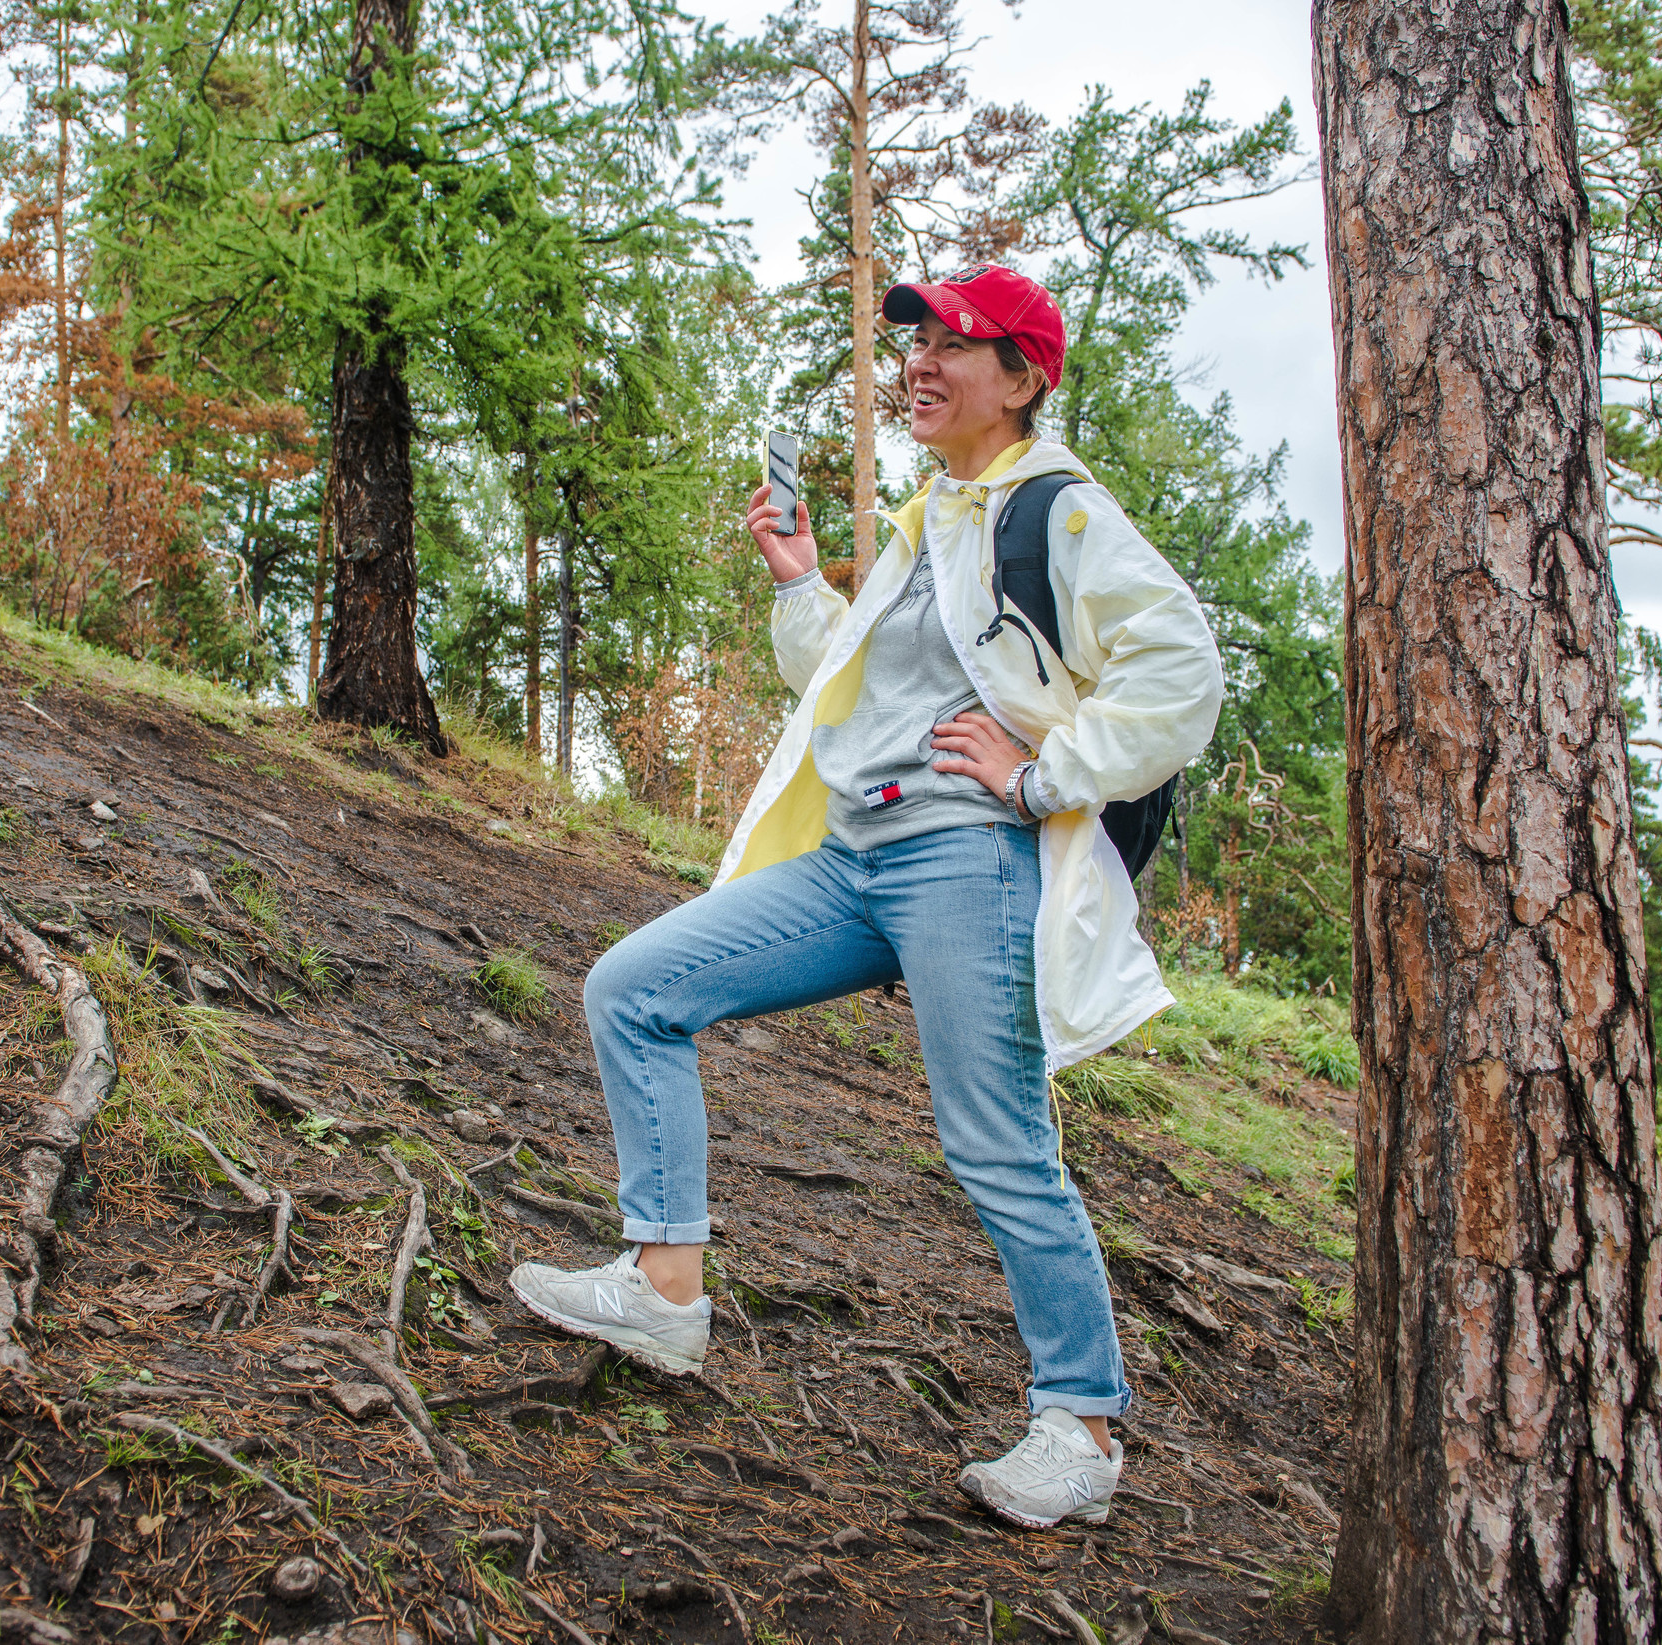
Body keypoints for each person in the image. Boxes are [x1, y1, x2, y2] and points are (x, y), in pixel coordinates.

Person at [509, 263, 1223, 1529]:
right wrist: (797, 577)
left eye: (958, 344)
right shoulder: (932, 518)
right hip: (855, 854)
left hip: (965, 856)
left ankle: (1082, 1423)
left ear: (1021, 378)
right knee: (636, 986)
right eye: (916, 344)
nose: (923, 363)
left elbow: (1180, 672)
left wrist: (1043, 771)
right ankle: (666, 1286)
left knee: (996, 1143)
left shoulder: (1053, 511)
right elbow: (846, 685)